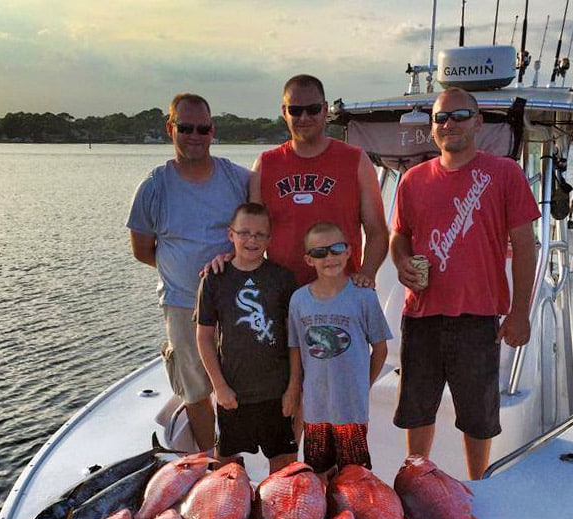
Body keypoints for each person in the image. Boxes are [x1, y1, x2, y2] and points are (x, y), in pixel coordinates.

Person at [390, 87, 540, 480]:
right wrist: (402, 261)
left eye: (459, 116)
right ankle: (416, 483)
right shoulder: (412, 179)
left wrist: (519, 312)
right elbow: (398, 235)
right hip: (421, 316)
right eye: (441, 118)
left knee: (478, 416)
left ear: (477, 122)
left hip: (478, 318)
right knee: (417, 409)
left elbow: (525, 246)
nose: (449, 124)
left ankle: (479, 486)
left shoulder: (505, 173)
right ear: (432, 128)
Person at [126, 93, 251, 452]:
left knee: (239, 383)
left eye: (203, 128)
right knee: (196, 389)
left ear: (213, 131)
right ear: (171, 129)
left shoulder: (238, 178)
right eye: (185, 127)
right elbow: (142, 250)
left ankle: (237, 454)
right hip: (183, 307)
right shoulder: (153, 187)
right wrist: (192, 278)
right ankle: (213, 462)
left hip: (236, 303)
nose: (195, 135)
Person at [251, 74, 389, 287]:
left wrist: (367, 274)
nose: (304, 117)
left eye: (313, 109)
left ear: (325, 109)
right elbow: (251, 234)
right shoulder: (265, 164)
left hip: (340, 293)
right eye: (295, 110)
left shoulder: (356, 160)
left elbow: (377, 230)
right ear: (284, 112)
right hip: (281, 296)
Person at [196, 203, 299, 473]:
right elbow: (205, 337)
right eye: (244, 233)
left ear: (269, 238)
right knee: (224, 467)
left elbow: (294, 340)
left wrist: (293, 388)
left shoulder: (283, 278)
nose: (251, 240)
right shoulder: (214, 279)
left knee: (284, 468)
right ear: (231, 235)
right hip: (233, 392)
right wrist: (219, 386)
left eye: (259, 234)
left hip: (276, 394)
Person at [287, 222, 392, 478]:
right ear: (309, 260)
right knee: (319, 472)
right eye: (320, 252)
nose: (330, 257)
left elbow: (380, 349)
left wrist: (363, 385)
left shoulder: (364, 297)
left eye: (336, 249)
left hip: (352, 409)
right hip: (315, 408)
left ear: (348, 252)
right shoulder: (299, 300)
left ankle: (351, 516)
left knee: (353, 475)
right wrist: (294, 387)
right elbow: (295, 348)